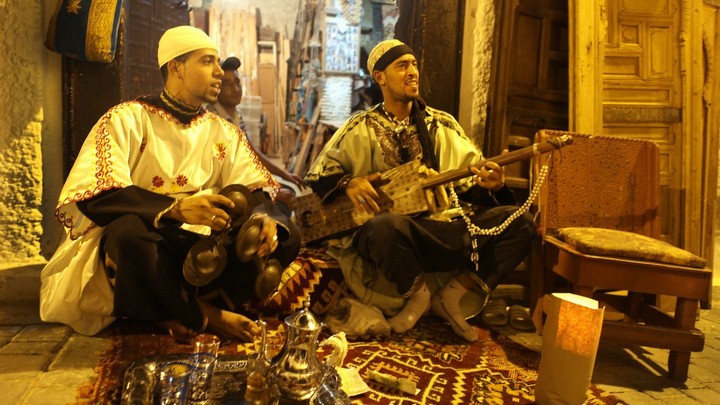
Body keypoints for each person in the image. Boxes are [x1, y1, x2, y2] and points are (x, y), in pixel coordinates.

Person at [39, 26, 301, 343]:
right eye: (208, 62)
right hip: (155, 239)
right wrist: (176, 209)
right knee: (129, 236)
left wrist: (262, 219)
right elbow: (97, 194)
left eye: (218, 62)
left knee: (286, 234)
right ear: (175, 67)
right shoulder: (127, 119)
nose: (219, 72)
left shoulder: (223, 131)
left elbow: (255, 185)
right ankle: (207, 316)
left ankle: (176, 306)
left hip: (205, 248)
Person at [304, 39, 535, 342]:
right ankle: (419, 294)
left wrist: (493, 185)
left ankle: (452, 296)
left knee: (522, 222)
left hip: (442, 229)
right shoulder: (359, 127)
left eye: (414, 64)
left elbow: (469, 186)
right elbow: (319, 175)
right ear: (380, 77)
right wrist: (349, 183)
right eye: (402, 66)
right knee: (381, 227)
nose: (412, 72)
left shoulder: (441, 125)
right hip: (399, 237)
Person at [206, 55, 307, 202]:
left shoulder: (236, 115)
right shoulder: (213, 119)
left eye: (237, 82)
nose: (235, 89)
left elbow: (252, 153)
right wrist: (269, 191)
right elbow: (228, 173)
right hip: (226, 192)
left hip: (241, 182)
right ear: (216, 88)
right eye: (227, 84)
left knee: (289, 189)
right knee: (282, 202)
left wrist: (285, 175)